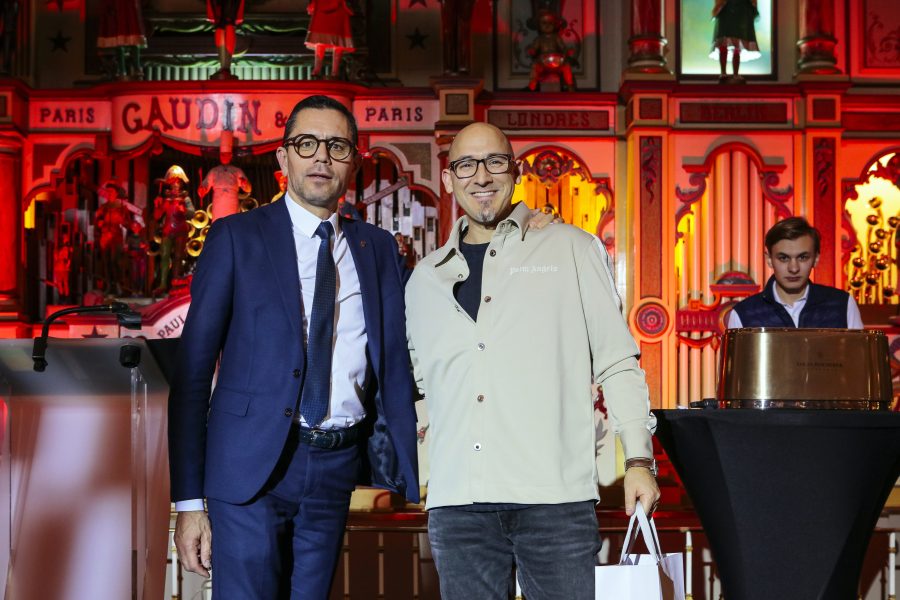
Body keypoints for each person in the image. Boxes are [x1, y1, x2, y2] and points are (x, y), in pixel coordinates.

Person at [169, 94, 419, 599]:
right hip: (249, 468)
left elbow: (396, 357)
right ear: (283, 157)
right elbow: (192, 376)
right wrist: (189, 502)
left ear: (354, 162)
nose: (321, 157)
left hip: (335, 468)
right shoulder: (236, 237)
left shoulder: (377, 249)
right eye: (307, 143)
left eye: (337, 146)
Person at [405, 122, 660, 600]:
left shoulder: (570, 248)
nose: (481, 176)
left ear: (516, 171)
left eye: (494, 162)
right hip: (457, 506)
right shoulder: (424, 279)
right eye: (466, 165)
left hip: (553, 501)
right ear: (448, 179)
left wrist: (639, 460)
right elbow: (419, 385)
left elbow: (617, 362)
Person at [727, 217, 863, 329]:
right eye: (783, 258)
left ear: (816, 259)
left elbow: (859, 354)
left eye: (802, 257)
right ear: (769, 259)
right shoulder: (743, 314)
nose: (793, 268)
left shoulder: (842, 305)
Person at [710, 0, 760, 83]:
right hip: (725, 10)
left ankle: (735, 74)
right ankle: (723, 73)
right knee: (724, 43)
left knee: (737, 45)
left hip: (741, 13)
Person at [305, 0, 354, 79]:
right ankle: (334, 73)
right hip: (338, 8)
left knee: (320, 41)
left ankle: (316, 71)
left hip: (322, 7)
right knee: (337, 42)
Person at [198, 149, 251, 220]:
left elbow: (248, 189)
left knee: (232, 221)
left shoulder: (237, 170)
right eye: (222, 155)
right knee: (218, 222)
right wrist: (202, 190)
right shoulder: (214, 170)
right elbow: (204, 187)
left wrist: (245, 183)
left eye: (226, 155)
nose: (224, 157)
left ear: (230, 156)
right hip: (218, 202)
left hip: (232, 201)